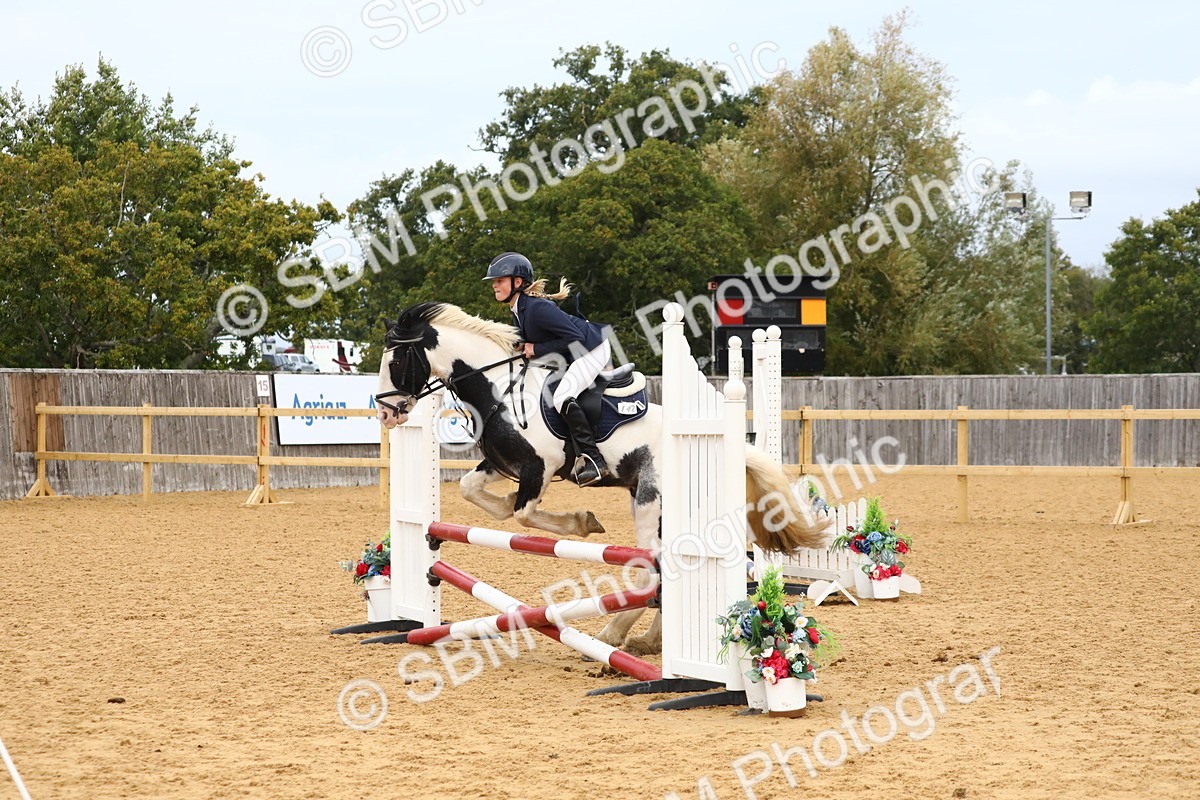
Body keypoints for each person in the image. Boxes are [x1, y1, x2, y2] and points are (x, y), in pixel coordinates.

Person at [485, 251, 614, 486]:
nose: (495, 285)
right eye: (494, 282)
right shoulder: (519, 310)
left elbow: (574, 336)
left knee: (563, 395)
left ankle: (595, 460)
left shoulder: (536, 308)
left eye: (499, 280)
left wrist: (536, 348)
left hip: (591, 348)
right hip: (573, 351)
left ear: (518, 282)